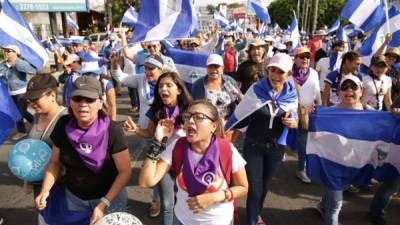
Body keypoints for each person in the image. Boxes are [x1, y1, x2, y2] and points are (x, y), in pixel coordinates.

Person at [35, 76, 132, 225]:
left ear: (100, 103)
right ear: (71, 102)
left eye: (90, 100)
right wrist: (45, 190)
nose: (83, 104)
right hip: (75, 199)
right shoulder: (63, 124)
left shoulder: (113, 130)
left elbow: (125, 172)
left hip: (109, 199)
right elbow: (54, 163)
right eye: (78, 99)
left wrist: (103, 204)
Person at [138, 100, 248, 225]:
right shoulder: (177, 146)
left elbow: (243, 187)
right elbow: (146, 182)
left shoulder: (226, 149)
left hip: (219, 221)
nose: (190, 121)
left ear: (214, 126)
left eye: (198, 117)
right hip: (182, 220)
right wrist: (158, 142)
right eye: (187, 116)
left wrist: (214, 197)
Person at [225, 53, 298, 225]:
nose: (275, 75)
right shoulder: (256, 90)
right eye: (272, 70)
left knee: (265, 186)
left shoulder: (291, 94)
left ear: (288, 74)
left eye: (280, 72)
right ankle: (252, 220)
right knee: (255, 188)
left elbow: (295, 117)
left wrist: (293, 123)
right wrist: (225, 134)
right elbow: (240, 115)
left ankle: (256, 213)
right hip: (253, 146)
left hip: (276, 148)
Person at [123, 71, 192, 225]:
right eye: (160, 86)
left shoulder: (191, 110)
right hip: (162, 160)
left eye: (169, 85)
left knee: (187, 201)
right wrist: (135, 130)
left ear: (179, 89)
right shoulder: (156, 110)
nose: (164, 89)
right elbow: (149, 133)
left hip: (186, 163)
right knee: (168, 204)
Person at [317, 76, 367, 225]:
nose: (349, 90)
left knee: (336, 193)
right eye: (345, 87)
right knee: (336, 206)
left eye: (353, 87)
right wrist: (309, 115)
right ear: (338, 91)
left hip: (354, 164)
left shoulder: (371, 114)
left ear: (361, 91)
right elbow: (316, 133)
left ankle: (323, 203)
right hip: (332, 164)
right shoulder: (328, 113)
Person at [25, 74, 68, 224]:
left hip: (62, 187)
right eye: (30, 99)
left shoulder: (67, 118)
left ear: (52, 95)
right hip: (39, 184)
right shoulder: (37, 116)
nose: (32, 103)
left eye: (36, 99)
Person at [291, 47, 321, 183]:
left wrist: (319, 108)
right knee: (282, 137)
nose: (305, 59)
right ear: (295, 58)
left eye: (307, 57)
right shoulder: (288, 74)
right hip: (289, 112)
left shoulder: (313, 73)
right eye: (302, 56)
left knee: (304, 142)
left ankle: (301, 169)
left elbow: (317, 93)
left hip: (306, 113)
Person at [191, 54, 242, 122]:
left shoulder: (230, 81)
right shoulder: (198, 84)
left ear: (222, 68)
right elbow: (192, 106)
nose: (213, 70)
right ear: (206, 68)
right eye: (210, 67)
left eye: (216, 67)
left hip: (228, 125)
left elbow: (239, 98)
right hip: (206, 124)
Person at [0, 45, 36, 140]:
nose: (6, 53)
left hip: (21, 92)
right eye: (5, 51)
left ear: (16, 52)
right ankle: (22, 131)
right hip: (9, 93)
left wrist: (17, 65)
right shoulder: (3, 65)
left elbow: (33, 70)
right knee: (16, 113)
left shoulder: (20, 63)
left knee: (22, 112)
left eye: (9, 51)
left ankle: (36, 124)